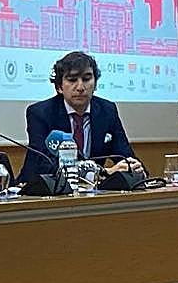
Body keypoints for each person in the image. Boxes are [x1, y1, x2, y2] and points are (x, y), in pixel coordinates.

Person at [18, 50, 140, 183]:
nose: (80, 87)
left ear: (95, 83)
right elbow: (45, 165)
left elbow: (125, 155)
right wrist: (102, 173)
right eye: (72, 80)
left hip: (90, 193)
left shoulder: (107, 111)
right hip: (38, 190)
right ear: (59, 87)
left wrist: (134, 169)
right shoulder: (40, 113)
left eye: (87, 79)